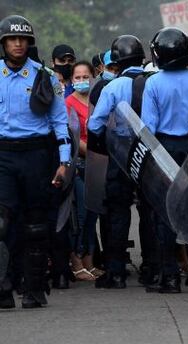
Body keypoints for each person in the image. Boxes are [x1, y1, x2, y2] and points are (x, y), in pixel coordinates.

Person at [0, 15, 71, 309]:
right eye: (12, 39)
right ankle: (4, 288)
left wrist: (64, 161)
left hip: (37, 156)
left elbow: (59, 120)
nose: (18, 44)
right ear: (3, 43)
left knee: (36, 225)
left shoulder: (46, 77)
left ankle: (34, 288)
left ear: (30, 43)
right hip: (3, 156)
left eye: (23, 39)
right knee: (2, 224)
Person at [141, 27, 188, 294]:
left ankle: (170, 276)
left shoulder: (154, 83)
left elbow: (148, 126)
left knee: (165, 213)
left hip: (164, 147)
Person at [87, 34, 149, 290]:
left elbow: (94, 124)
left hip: (121, 154)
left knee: (117, 212)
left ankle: (116, 273)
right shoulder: (153, 83)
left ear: (117, 60)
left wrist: (107, 145)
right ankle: (152, 267)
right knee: (150, 211)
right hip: (149, 154)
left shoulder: (112, 87)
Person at [64, 60, 101, 282]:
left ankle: (89, 261)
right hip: (79, 165)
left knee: (92, 215)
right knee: (79, 215)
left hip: (97, 166)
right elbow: (73, 138)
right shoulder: (68, 103)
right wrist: (96, 151)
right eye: (77, 77)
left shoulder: (97, 101)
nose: (81, 81)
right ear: (71, 80)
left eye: (85, 76)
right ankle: (76, 263)